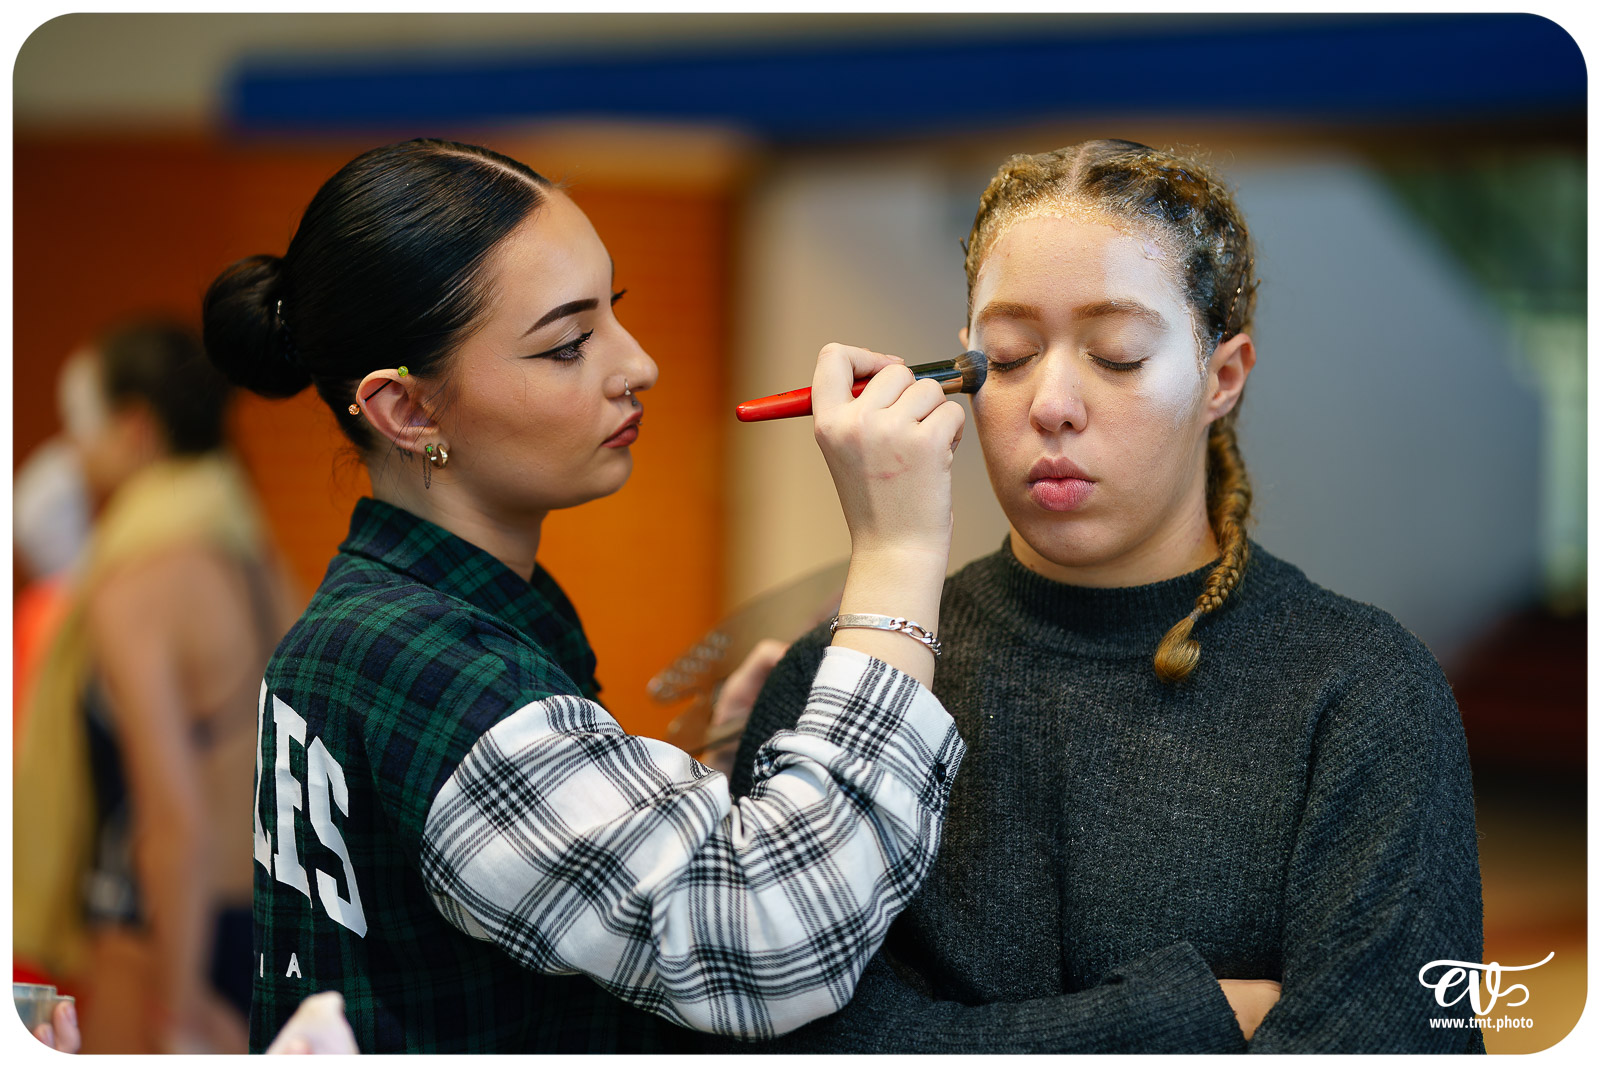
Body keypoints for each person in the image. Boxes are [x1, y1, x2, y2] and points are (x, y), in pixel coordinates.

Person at [200, 138, 968, 1053]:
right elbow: (774, 940)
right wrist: (897, 549)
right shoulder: (424, 665)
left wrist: (715, 781)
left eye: (616, 312)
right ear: (409, 411)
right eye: (568, 343)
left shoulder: (402, 621)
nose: (636, 363)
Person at [720, 139, 1485, 1053]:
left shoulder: (1361, 688)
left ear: (1222, 376)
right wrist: (1181, 1020)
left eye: (1117, 355)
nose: (1051, 402)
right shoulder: (842, 691)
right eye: (1006, 356)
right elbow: (781, 1038)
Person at [14, 323, 301, 1053]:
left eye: (85, 425)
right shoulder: (264, 569)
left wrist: (174, 1010)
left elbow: (172, 816)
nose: (75, 451)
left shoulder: (136, 586)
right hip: (268, 925)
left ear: (135, 425)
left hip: (165, 933)